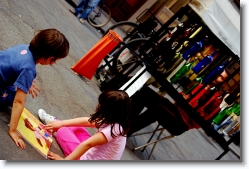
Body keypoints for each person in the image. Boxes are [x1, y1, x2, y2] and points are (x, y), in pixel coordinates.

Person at [0, 28, 70, 149]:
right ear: (49, 58)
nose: (53, 64)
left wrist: (25, 82)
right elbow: (19, 101)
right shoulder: (29, 69)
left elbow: (15, 66)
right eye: (55, 61)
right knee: (14, 98)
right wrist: (13, 130)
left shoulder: (24, 47)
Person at [38, 90, 131, 160]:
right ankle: (55, 123)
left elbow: (87, 144)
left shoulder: (114, 129)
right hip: (93, 152)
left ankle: (54, 123)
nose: (97, 105)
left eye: (100, 105)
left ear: (108, 110)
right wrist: (61, 123)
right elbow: (88, 122)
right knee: (76, 127)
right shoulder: (116, 119)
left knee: (63, 131)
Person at [127, 86, 199, 137]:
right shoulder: (201, 84)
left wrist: (189, 106)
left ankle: (126, 130)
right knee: (145, 91)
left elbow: (198, 124)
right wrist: (183, 97)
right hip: (177, 109)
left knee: (158, 109)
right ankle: (124, 121)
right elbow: (180, 96)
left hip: (182, 124)